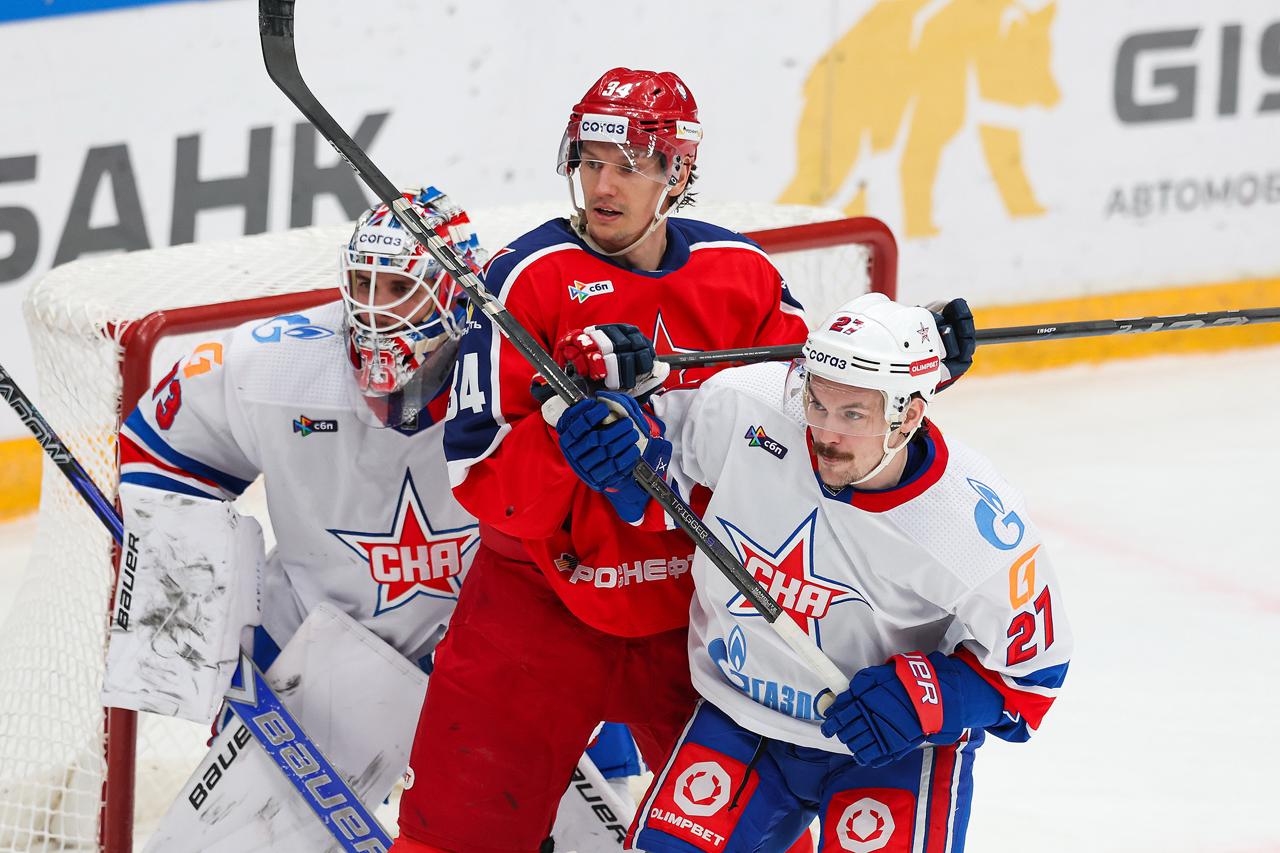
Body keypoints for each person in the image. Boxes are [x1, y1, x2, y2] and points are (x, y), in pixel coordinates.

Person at [393, 67, 975, 852]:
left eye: (629, 166)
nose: (603, 185)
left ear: (677, 172)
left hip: (701, 610)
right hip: (535, 615)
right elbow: (483, 484)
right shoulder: (526, 279)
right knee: (452, 840)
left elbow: (812, 434)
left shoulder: (742, 275)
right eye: (591, 161)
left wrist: (910, 370)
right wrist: (566, 433)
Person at [556, 293, 1072, 852]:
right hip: (741, 714)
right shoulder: (748, 407)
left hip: (889, 747)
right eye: (817, 403)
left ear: (909, 416)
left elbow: (1034, 676)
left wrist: (929, 698)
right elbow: (661, 481)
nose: (826, 434)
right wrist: (616, 448)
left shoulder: (973, 526)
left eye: (853, 415)